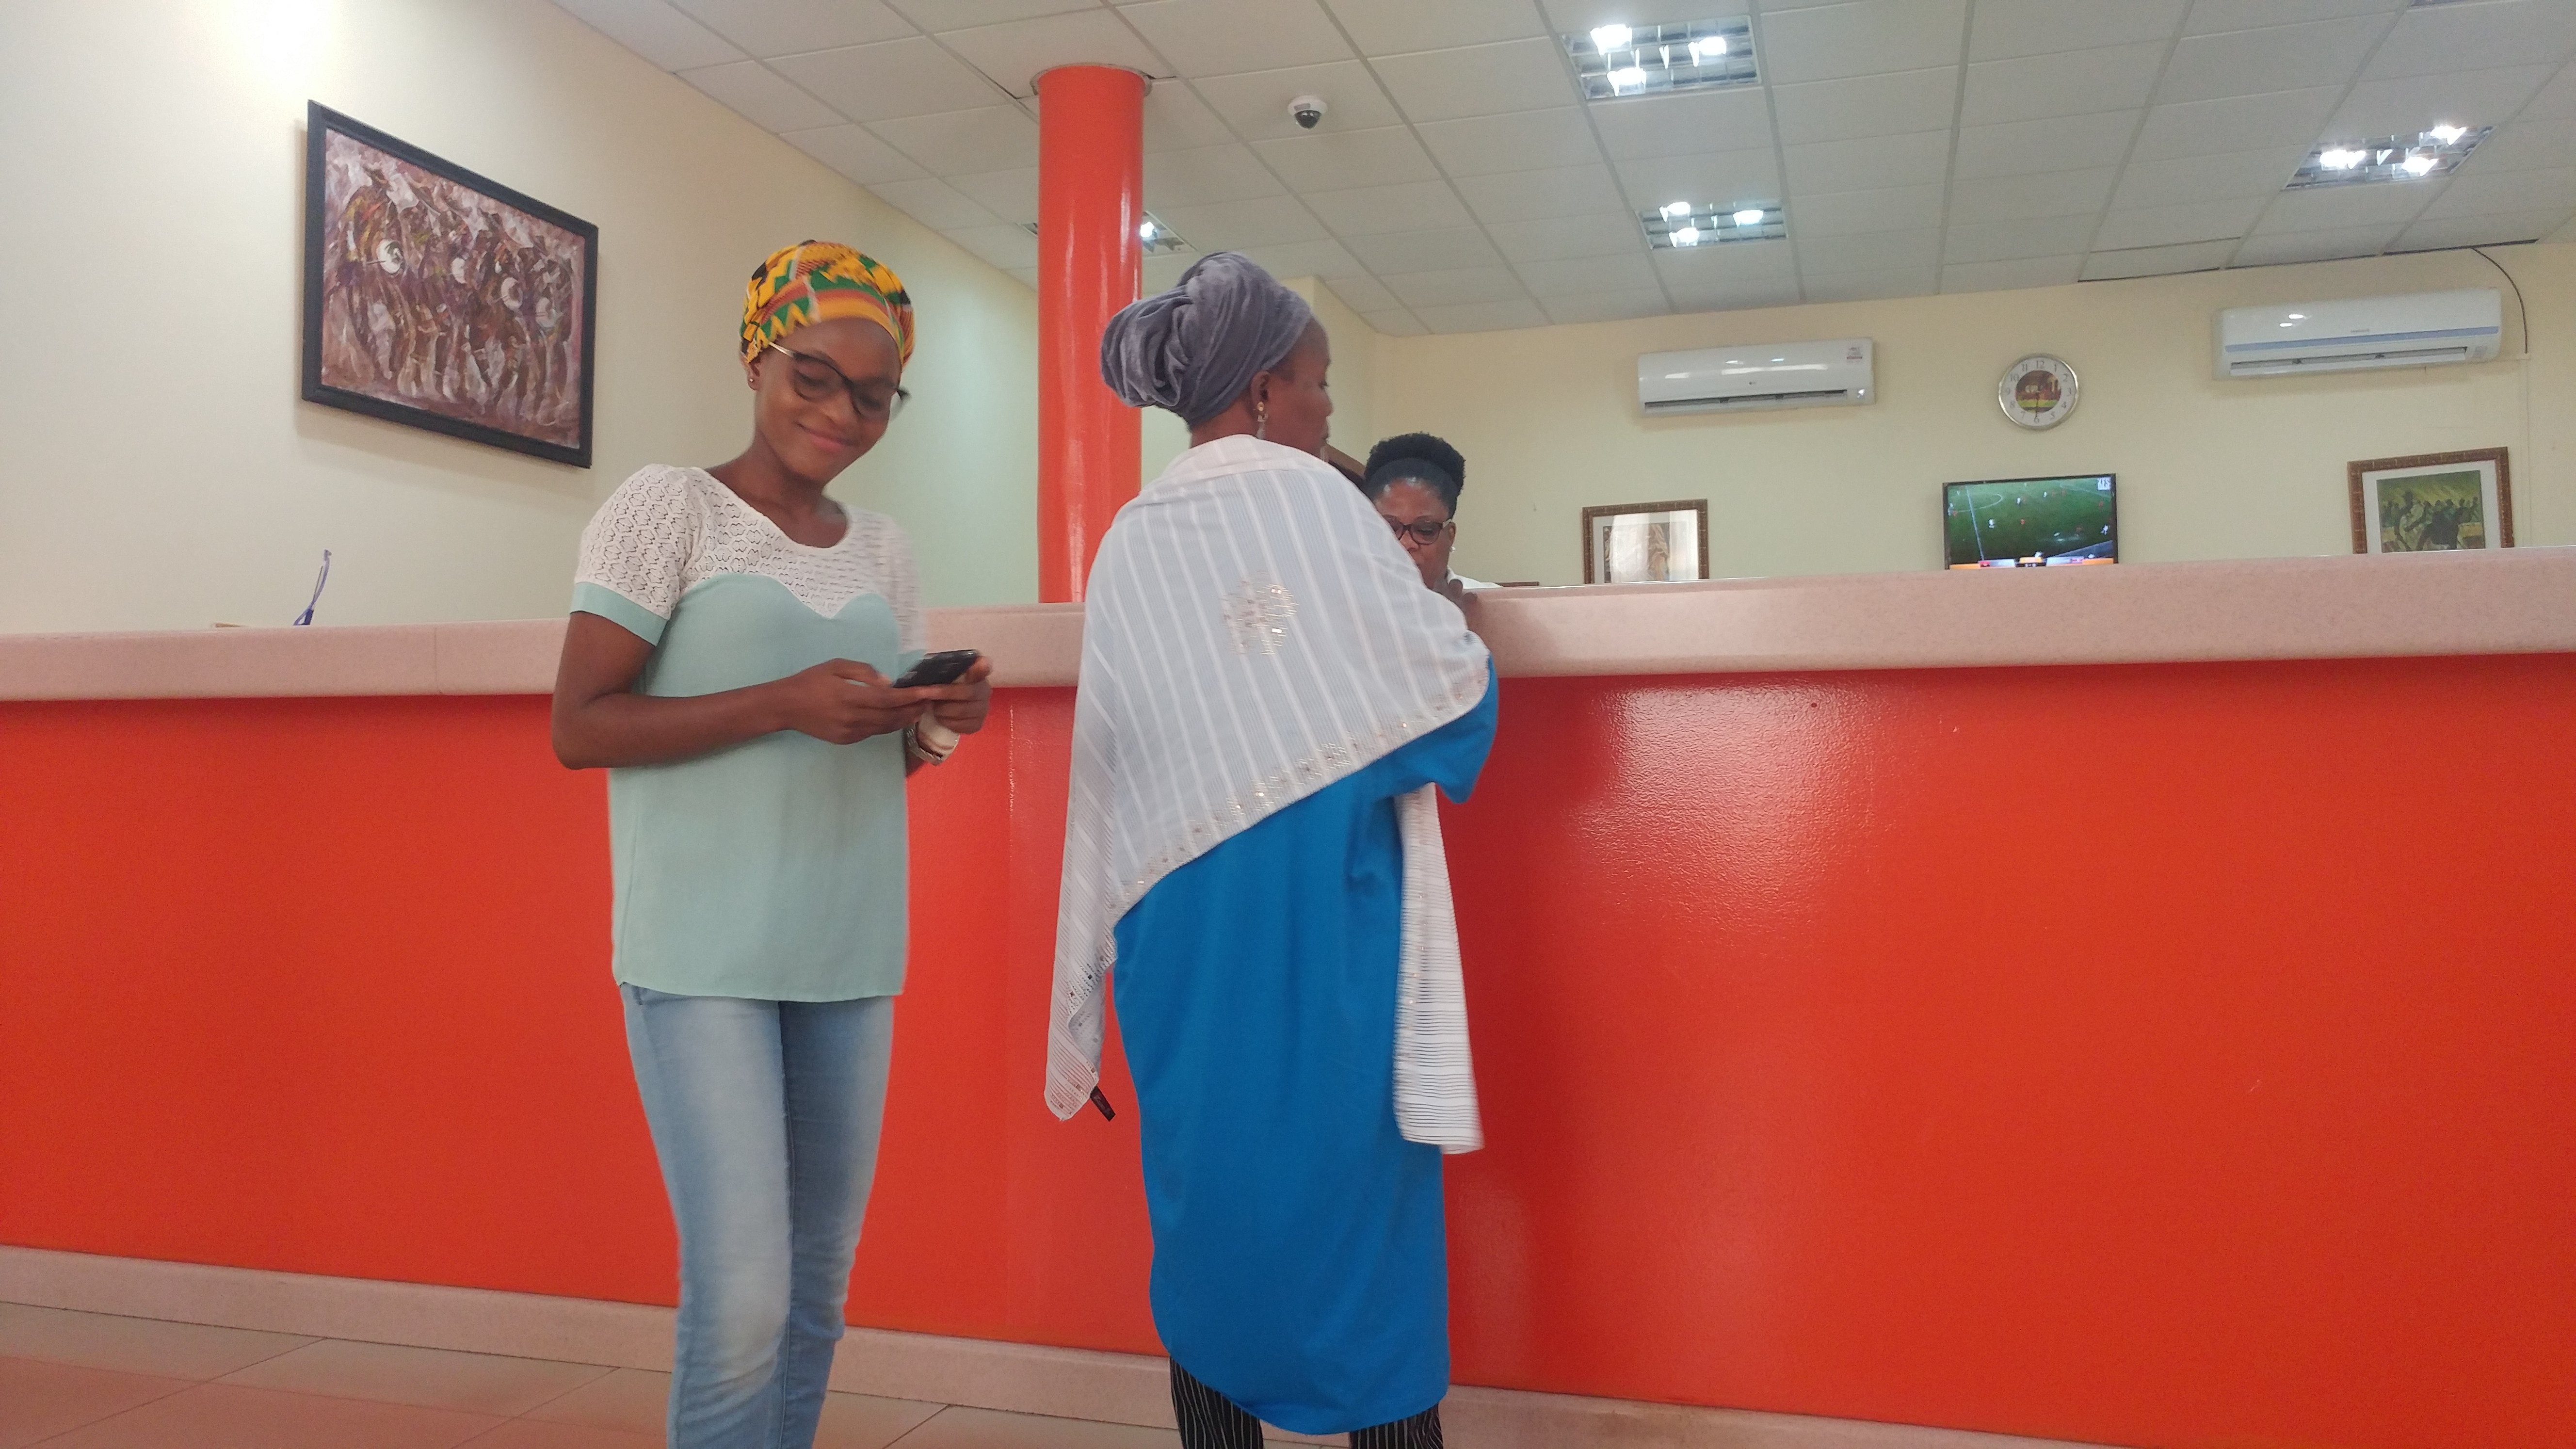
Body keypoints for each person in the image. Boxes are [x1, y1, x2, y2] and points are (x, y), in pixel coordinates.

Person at [1050, 252, 1499, 1449]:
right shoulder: (1321, 507)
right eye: (1319, 380)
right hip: (1322, 935)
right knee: (1359, 1233)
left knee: (1209, 1220)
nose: (1329, 407)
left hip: (1176, 946)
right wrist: (1449, 625)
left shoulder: (1128, 539)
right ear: (1261, 389)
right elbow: (1451, 706)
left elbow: (1115, 764)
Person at [549, 241, 991, 1449]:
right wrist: (780, 702)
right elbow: (579, 726)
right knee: (743, 1295)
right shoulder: (668, 507)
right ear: (757, 358)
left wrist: (936, 721)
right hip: (701, 956)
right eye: (815, 376)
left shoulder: (883, 547)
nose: (841, 412)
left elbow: (876, 752)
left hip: (847, 950)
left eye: (874, 395)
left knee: (813, 1293)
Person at [1360, 433, 1490, 599]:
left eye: (1425, 530)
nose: (1406, 544)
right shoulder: (1344, 603)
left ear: (1451, 536)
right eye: (1389, 529)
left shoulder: (1498, 604)